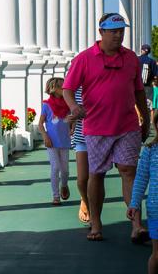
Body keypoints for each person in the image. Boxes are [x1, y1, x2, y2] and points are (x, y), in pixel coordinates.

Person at [62, 13, 151, 242]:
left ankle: (136, 225)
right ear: (101, 32)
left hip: (127, 125)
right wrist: (74, 107)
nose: (119, 35)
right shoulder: (84, 58)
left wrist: (146, 121)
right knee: (96, 174)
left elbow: (140, 92)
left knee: (128, 171)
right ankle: (96, 223)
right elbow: (68, 89)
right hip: (97, 127)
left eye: (121, 30)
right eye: (113, 31)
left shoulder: (131, 58)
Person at [127, 136, 158, 274]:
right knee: (157, 254)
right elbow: (140, 179)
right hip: (156, 209)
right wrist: (134, 203)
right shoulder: (150, 150)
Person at [39, 78, 74, 205]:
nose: (64, 89)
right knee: (55, 167)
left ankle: (64, 185)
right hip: (52, 142)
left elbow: (72, 118)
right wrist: (45, 136)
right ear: (53, 89)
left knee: (65, 169)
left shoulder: (68, 104)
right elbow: (40, 124)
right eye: (62, 87)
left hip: (64, 141)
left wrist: (72, 128)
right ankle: (55, 196)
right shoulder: (47, 105)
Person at [71, 87, 91, 225]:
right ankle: (85, 199)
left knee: (96, 177)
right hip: (81, 138)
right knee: (82, 179)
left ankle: (94, 216)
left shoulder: (102, 83)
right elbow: (68, 113)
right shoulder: (74, 89)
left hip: (101, 136)